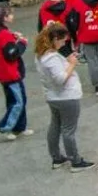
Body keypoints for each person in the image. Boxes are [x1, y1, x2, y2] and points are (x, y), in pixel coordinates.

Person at [35, 22, 92, 171]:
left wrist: (66, 61)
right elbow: (60, 79)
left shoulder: (41, 54)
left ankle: (57, 158)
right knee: (68, 130)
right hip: (66, 97)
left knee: (55, 126)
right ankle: (75, 161)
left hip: (53, 97)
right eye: (62, 40)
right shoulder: (52, 58)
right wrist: (72, 63)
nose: (63, 43)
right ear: (54, 39)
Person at [0, 5, 30, 140]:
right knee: (18, 101)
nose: (13, 16)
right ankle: (3, 126)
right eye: (10, 14)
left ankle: (19, 127)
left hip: (0, 72)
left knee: (14, 99)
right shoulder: (4, 35)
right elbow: (12, 54)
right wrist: (22, 43)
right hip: (11, 73)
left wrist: (13, 36)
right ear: (4, 18)